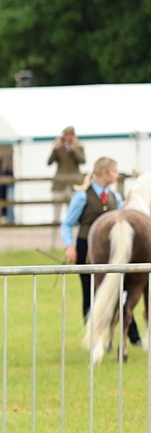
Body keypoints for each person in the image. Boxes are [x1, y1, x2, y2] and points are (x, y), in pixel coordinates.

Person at [62, 156, 139, 345]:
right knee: (90, 292)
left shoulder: (115, 197)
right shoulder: (82, 196)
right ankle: (94, 335)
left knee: (119, 290)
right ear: (105, 173)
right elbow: (68, 224)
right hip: (85, 248)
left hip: (113, 250)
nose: (116, 175)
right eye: (114, 171)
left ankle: (133, 335)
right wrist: (69, 246)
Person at [48, 127, 85, 225]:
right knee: (56, 211)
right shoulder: (58, 148)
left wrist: (74, 149)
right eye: (66, 135)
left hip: (74, 183)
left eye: (70, 135)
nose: (68, 138)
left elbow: (82, 161)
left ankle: (70, 229)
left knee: (72, 210)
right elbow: (49, 162)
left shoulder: (79, 146)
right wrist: (54, 149)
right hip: (60, 183)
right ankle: (55, 230)